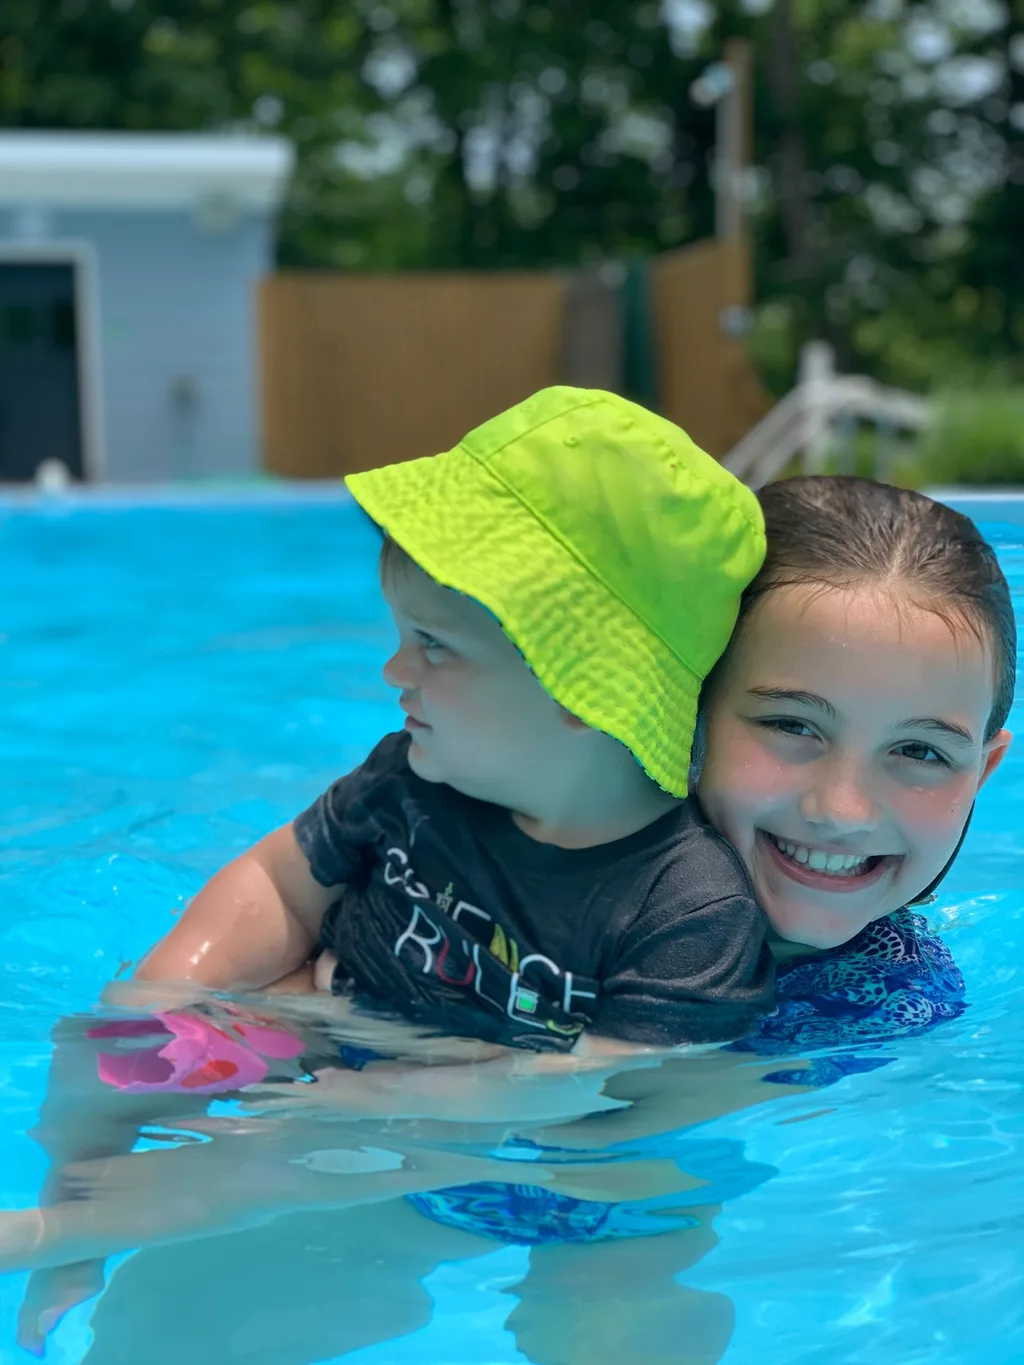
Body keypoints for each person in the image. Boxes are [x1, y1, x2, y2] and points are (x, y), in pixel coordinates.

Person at [8, 476, 1015, 1362]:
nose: (841, 808)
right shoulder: (489, 821)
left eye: (921, 753)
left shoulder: (881, 997)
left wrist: (386, 1103)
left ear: (985, 769)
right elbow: (282, 904)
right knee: (187, 1318)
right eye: (790, 725)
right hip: (385, 1139)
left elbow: (644, 1108)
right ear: (677, 706)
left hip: (605, 1201)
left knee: (616, 1332)